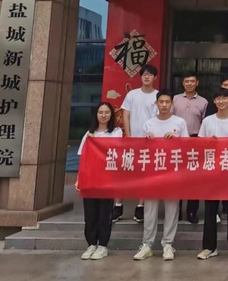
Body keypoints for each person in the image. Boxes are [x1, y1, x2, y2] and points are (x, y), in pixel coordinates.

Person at [133, 90, 188, 262]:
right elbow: (139, 149)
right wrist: (147, 140)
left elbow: (188, 147)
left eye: (167, 102)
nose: (164, 105)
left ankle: (168, 244)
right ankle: (147, 244)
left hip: (173, 172)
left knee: (172, 210)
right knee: (150, 210)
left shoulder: (180, 122)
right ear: (156, 103)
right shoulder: (148, 124)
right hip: (152, 173)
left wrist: (176, 140)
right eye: (161, 102)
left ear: (172, 103)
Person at [197, 88, 228, 261]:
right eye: (218, 98)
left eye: (224, 98)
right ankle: (209, 247)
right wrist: (208, 143)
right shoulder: (208, 121)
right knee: (210, 210)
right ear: (214, 101)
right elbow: (199, 144)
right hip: (212, 172)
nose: (221, 101)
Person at [76, 102, 122, 261]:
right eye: (100, 112)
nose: (103, 115)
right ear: (96, 115)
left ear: (111, 115)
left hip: (107, 179)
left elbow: (116, 150)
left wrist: (97, 143)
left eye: (107, 112)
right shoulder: (89, 134)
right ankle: (91, 244)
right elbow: (83, 157)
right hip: (90, 178)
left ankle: (103, 245)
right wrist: (79, 178)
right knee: (90, 214)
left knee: (104, 212)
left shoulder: (116, 132)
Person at [116, 64, 159, 224]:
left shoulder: (158, 96)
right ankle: (118, 205)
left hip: (149, 142)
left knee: (145, 175)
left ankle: (140, 206)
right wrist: (128, 136)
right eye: (144, 74)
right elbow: (126, 115)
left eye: (150, 74)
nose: (146, 77)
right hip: (131, 141)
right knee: (124, 173)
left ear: (155, 77)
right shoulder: (132, 95)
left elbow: (158, 119)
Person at [172, 72, 208, 225]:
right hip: (177, 141)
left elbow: (205, 122)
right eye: (186, 81)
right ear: (183, 83)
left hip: (195, 140)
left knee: (194, 177)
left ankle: (192, 211)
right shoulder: (175, 99)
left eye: (192, 81)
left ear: (197, 83)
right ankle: (177, 211)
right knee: (178, 177)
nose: (189, 84)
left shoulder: (203, 102)